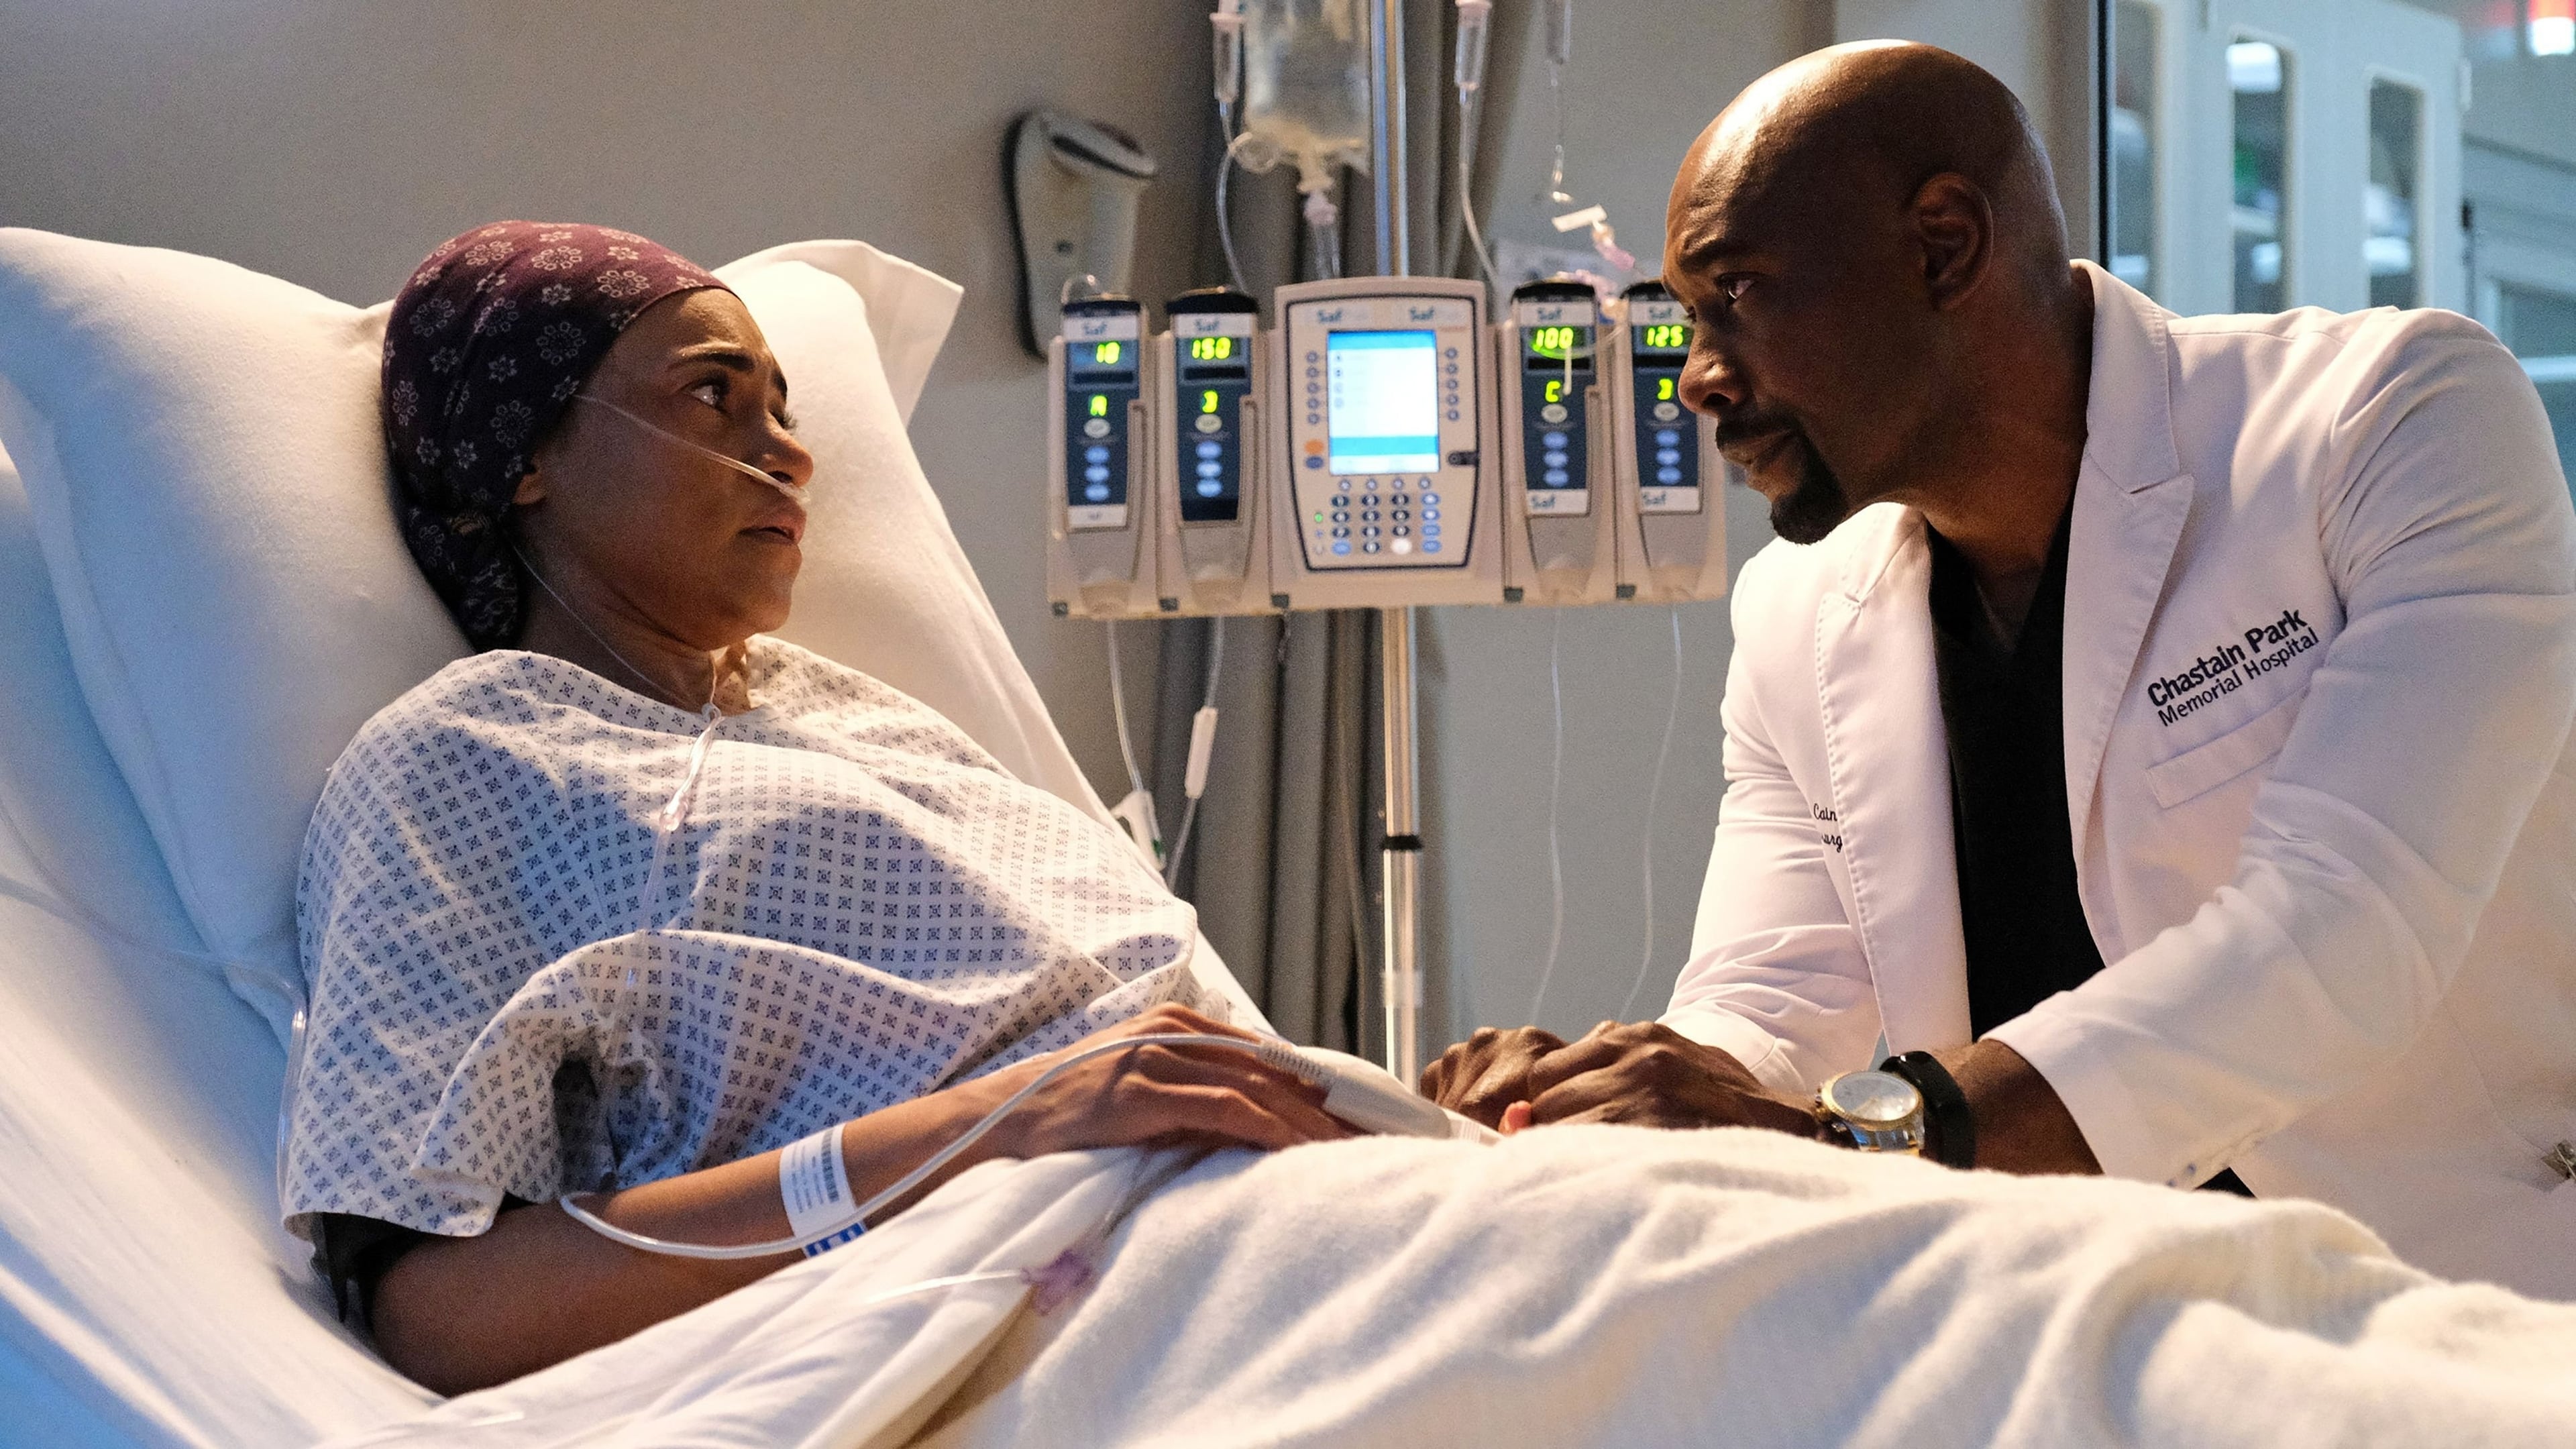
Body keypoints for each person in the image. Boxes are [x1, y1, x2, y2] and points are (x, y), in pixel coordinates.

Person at [1424, 42, 2576, 1298]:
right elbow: (1771, 999)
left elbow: (2346, 929)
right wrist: (1597, 1102)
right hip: (2092, 1323)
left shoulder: (2391, 420)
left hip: (2470, 1296)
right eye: (1689, 319)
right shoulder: (1798, 609)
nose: (1698, 378)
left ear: (1944, 245)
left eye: (1738, 294)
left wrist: (1872, 1138)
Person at [282, 221, 1341, 1395]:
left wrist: (1403, 1109)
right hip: (1061, 1269)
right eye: (713, 396)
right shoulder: (469, 757)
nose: (790, 454)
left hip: (1279, 1195)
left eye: (783, 408)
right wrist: (999, 1125)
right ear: (526, 456)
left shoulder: (867, 716)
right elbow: (439, 1308)